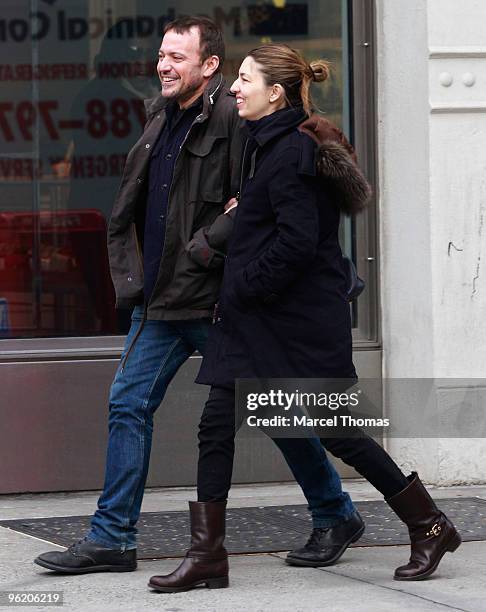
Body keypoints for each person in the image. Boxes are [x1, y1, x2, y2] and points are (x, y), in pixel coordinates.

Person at [34, 17, 359, 575]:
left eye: (176, 57)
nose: (163, 65)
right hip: (160, 299)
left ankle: (334, 512)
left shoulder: (236, 119)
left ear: (209, 66)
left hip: (218, 299)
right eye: (161, 54)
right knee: (127, 404)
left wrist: (209, 247)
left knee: (278, 410)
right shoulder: (158, 118)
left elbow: (261, 204)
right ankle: (112, 539)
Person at [148, 43, 461, 593]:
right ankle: (208, 556)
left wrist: (243, 284)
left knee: (339, 432)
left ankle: (429, 523)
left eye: (245, 79)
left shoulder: (294, 152)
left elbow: (298, 244)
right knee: (216, 426)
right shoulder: (263, 144)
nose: (236, 88)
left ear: (276, 92)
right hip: (253, 321)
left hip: (295, 324)